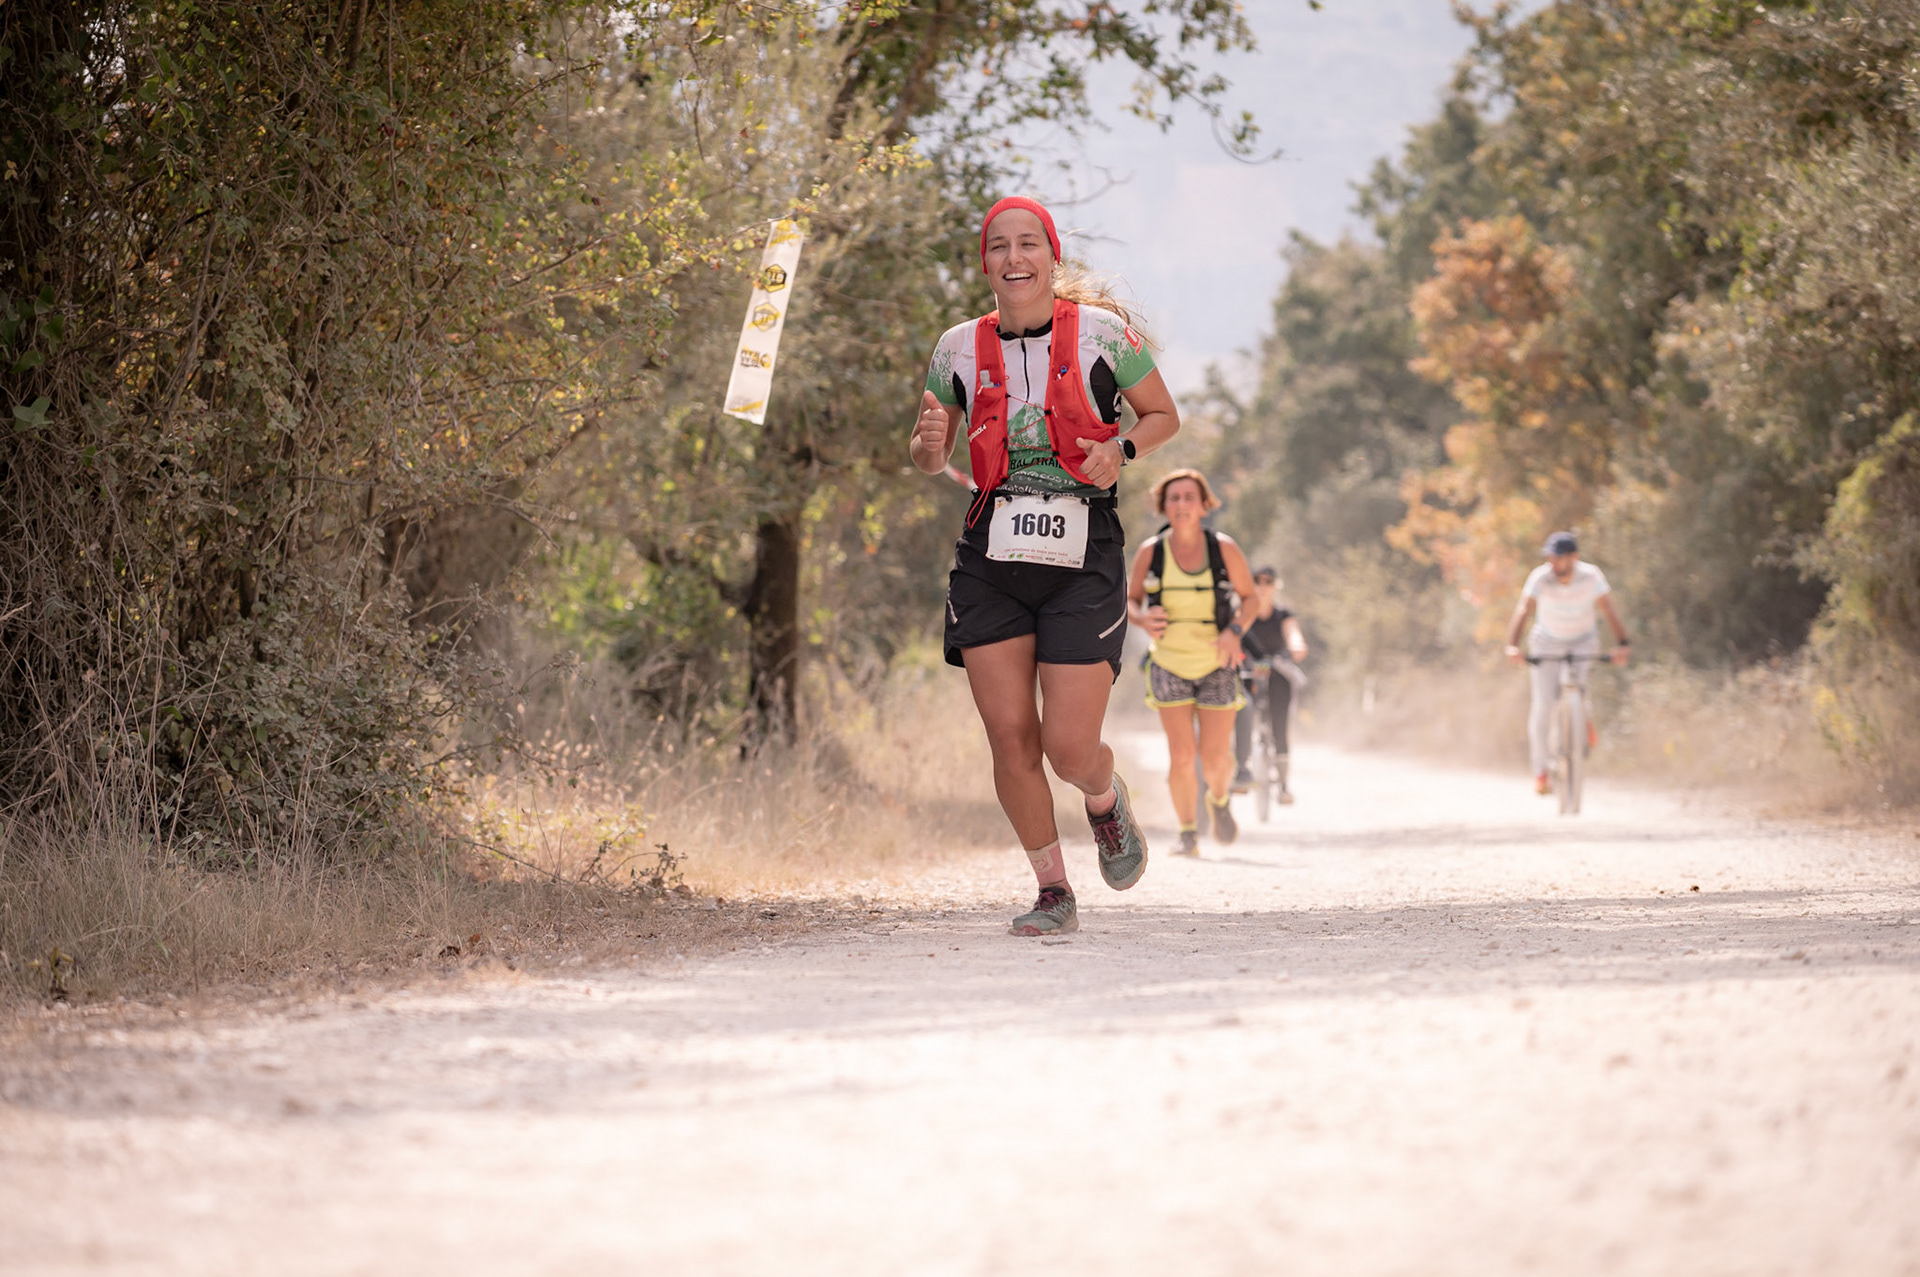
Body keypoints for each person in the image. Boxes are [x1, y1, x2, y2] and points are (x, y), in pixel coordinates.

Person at [909, 196, 1179, 937]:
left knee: (1067, 748)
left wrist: (1119, 450)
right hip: (991, 556)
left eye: (1029, 243)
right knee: (1010, 738)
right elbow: (930, 453)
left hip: (1081, 552)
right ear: (986, 261)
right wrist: (931, 444)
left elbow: (1162, 415)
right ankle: (1053, 888)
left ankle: (1104, 798)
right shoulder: (956, 346)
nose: (1014, 257)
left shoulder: (1101, 335)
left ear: (1051, 257)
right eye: (1000, 245)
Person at [1128, 469, 1260, 856]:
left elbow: (1250, 598)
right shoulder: (1151, 551)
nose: (1181, 505)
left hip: (1218, 660)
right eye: (1174, 498)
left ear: (1204, 505)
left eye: (1189, 497)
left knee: (1215, 756)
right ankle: (1188, 833)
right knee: (1182, 755)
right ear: (1163, 506)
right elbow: (1131, 599)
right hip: (1168, 661)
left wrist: (1234, 630)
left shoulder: (1223, 548)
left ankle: (1219, 801)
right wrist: (1142, 618)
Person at [1504, 531, 1631, 794]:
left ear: (1574, 558)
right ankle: (1541, 772)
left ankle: (1582, 714)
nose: (1553, 562)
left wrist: (1622, 643)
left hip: (1583, 640)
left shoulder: (1591, 576)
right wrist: (1513, 645)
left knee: (1577, 686)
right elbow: (1523, 610)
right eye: (1550, 557)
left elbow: (1607, 608)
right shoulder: (1541, 578)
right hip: (1546, 642)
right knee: (1544, 704)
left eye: (1559, 557)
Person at [1231, 565, 1308, 803]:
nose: (1262, 587)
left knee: (1279, 725)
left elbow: (1293, 634)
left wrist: (1297, 645)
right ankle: (1239, 769)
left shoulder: (1283, 614)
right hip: (1247, 673)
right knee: (1238, 716)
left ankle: (1283, 785)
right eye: (1256, 581)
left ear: (1275, 586)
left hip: (1277, 674)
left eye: (1268, 582)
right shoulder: (1240, 614)